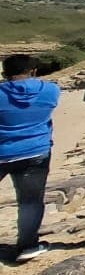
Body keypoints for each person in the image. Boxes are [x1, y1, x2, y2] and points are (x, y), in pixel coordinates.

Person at [1, 55, 60, 261]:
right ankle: (28, 246)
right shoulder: (50, 90)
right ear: (34, 71)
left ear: (4, 73)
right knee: (30, 202)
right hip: (35, 151)